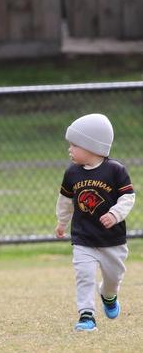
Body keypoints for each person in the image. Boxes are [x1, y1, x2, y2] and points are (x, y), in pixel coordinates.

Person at [55, 113, 135, 332]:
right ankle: (86, 315)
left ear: (91, 146)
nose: (69, 149)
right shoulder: (71, 173)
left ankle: (108, 297)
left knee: (113, 279)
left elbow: (128, 197)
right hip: (84, 238)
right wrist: (62, 222)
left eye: (74, 145)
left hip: (112, 241)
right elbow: (65, 201)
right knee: (84, 276)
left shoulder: (116, 170)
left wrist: (115, 214)